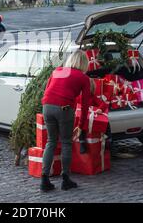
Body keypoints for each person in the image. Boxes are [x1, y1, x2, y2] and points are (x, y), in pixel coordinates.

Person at [40, 50, 91, 192]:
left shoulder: (58, 70)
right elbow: (85, 104)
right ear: (84, 63)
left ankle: (44, 179)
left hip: (47, 106)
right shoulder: (83, 78)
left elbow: (47, 89)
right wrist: (81, 126)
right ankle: (65, 179)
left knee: (51, 141)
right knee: (66, 142)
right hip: (64, 108)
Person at [77, 78, 110, 154]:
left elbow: (104, 104)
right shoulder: (78, 97)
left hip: (93, 118)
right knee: (81, 125)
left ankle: (109, 139)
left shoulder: (92, 97)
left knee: (107, 122)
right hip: (83, 119)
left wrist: (100, 109)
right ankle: (82, 143)